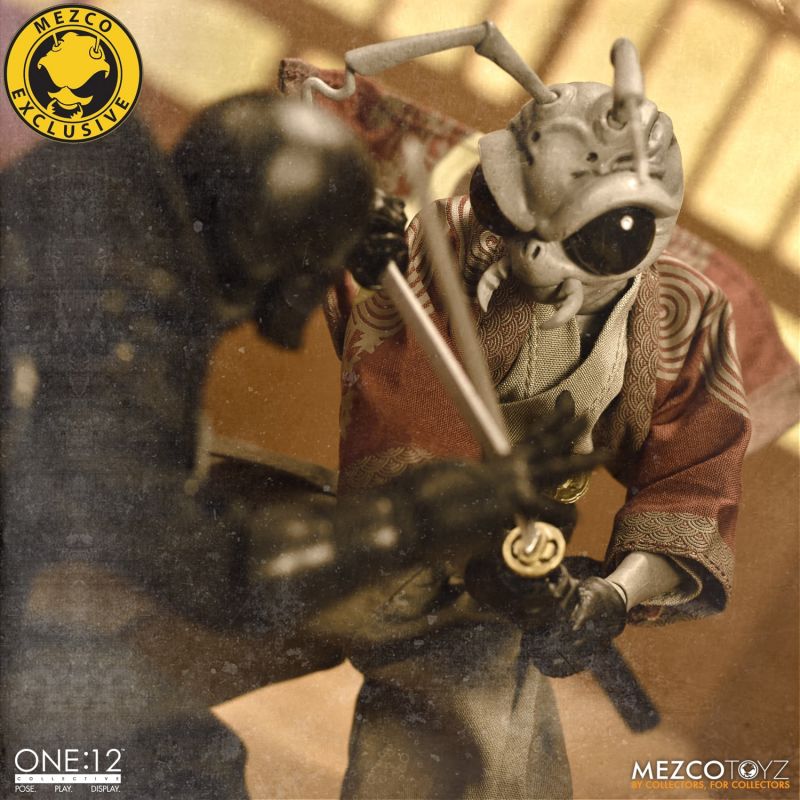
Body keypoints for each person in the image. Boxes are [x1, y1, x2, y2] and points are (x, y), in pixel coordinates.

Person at [1, 92, 583, 797]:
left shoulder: (93, 197)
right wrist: (423, 511)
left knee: (190, 753)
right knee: (182, 776)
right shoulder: (118, 346)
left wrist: (326, 223)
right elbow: (224, 575)